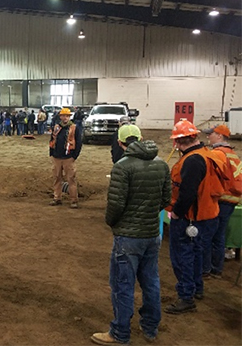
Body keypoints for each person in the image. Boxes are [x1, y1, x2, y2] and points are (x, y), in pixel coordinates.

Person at [91, 125, 171, 346]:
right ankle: (150, 327)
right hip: (152, 233)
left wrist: (112, 222)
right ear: (141, 138)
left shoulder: (122, 167)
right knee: (151, 281)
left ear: (120, 142)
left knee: (122, 284)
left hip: (128, 236)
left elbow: (115, 205)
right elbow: (166, 199)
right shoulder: (161, 165)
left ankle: (120, 333)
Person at [164, 119, 222, 314]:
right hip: (207, 215)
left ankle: (186, 296)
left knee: (183, 257)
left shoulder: (192, 161)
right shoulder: (207, 154)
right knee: (196, 254)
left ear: (178, 142)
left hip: (191, 218)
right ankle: (196, 288)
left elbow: (188, 193)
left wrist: (177, 213)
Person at [202, 124, 241, 278]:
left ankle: (206, 269)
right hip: (231, 200)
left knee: (207, 235)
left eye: (210, 134)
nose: (207, 137)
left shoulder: (217, 154)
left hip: (220, 199)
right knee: (219, 235)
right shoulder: (233, 155)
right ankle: (216, 269)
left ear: (219, 136)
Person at [48, 108, 82, 208]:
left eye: (67, 116)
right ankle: (57, 198)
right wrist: (52, 154)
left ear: (69, 117)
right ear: (60, 117)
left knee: (71, 179)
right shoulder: (56, 127)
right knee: (57, 178)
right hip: (57, 157)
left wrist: (74, 156)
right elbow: (52, 140)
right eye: (63, 115)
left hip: (68, 158)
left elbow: (79, 143)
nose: (65, 117)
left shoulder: (74, 128)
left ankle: (73, 200)